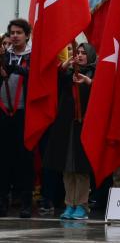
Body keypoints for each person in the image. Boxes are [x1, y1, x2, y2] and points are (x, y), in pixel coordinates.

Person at [43, 43, 95, 220]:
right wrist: (65, 66)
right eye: (77, 52)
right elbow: (52, 80)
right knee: (67, 167)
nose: (79, 55)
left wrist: (88, 82)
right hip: (66, 126)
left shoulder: (93, 73)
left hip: (85, 126)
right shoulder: (67, 74)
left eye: (83, 53)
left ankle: (81, 205)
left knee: (81, 168)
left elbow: (102, 93)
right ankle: (69, 204)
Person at [0, 19, 33, 218]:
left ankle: (26, 202)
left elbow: (37, 77)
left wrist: (16, 69)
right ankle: (3, 200)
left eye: (19, 32)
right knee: (4, 158)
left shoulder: (32, 55)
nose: (14, 35)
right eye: (12, 32)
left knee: (25, 159)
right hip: (3, 112)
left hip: (24, 113)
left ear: (27, 35)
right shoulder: (3, 55)